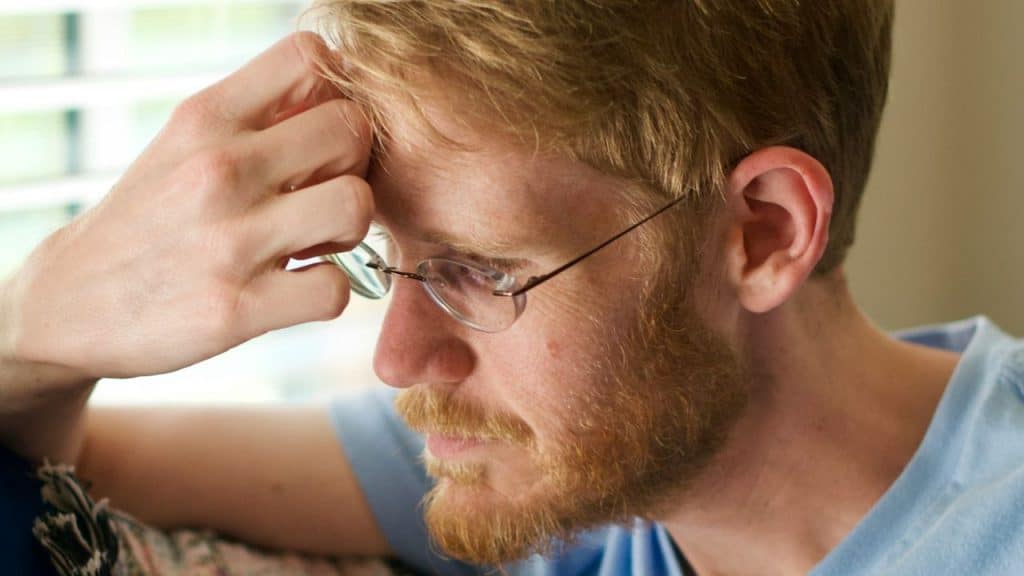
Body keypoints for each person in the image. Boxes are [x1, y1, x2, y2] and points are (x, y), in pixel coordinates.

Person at [2, 1, 1023, 574]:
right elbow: (70, 466)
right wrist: (43, 319)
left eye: (480, 272)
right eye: (391, 261)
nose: (397, 357)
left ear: (761, 233)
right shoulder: (580, 473)